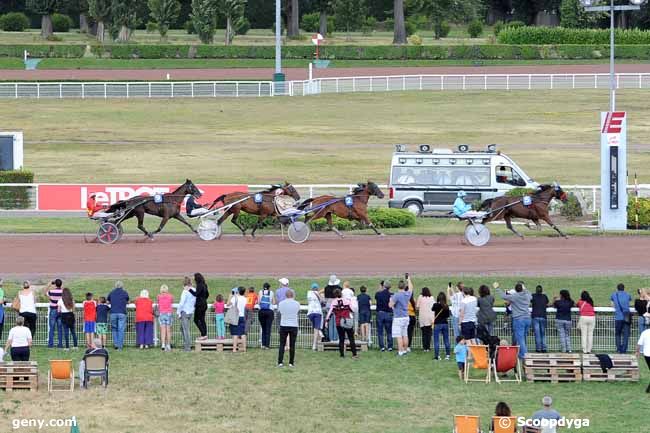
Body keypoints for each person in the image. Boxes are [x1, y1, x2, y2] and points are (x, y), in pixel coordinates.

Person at [497, 281, 532, 359]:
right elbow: (529, 293)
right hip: (528, 318)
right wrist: (524, 288)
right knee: (523, 337)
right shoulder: (527, 295)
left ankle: (524, 355)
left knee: (520, 338)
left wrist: (497, 288)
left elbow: (503, 296)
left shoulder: (514, 296)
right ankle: (521, 353)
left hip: (519, 319)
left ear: (515, 290)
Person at [326, 289, 358, 359]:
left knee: (341, 339)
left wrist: (327, 321)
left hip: (339, 322)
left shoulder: (333, 302)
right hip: (347, 321)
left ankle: (342, 354)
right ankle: (354, 354)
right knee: (351, 338)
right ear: (341, 293)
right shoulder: (347, 301)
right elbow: (352, 310)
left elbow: (330, 313)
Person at [389, 278, 413, 357]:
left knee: (398, 335)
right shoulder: (407, 294)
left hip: (398, 317)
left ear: (398, 287)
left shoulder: (396, 295)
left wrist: (391, 301)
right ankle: (405, 350)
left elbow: (390, 305)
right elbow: (411, 288)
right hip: (406, 316)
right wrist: (408, 279)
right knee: (405, 334)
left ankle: (400, 351)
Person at [277, 290, 300, 367]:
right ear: (293, 295)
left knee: (282, 344)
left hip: (284, 324)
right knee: (292, 345)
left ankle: (280, 362)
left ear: (285, 295)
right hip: (293, 325)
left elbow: (280, 312)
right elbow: (297, 312)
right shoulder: (297, 303)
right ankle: (291, 362)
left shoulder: (281, 303)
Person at [107, 280, 129, 351]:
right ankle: (120, 346)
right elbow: (127, 301)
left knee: (114, 329)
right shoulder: (125, 292)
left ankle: (116, 344)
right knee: (121, 329)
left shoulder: (111, 292)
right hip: (122, 313)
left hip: (113, 313)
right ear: (122, 286)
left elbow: (108, 301)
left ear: (115, 286)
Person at [610, 283, 631, 354]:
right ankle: (624, 350)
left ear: (617, 288)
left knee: (617, 334)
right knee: (626, 334)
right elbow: (629, 302)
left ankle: (618, 349)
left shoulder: (614, 295)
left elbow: (612, 304)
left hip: (618, 317)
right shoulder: (628, 295)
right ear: (624, 288)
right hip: (626, 316)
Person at [44, 279, 64, 349]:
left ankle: (50, 344)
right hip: (60, 310)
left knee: (52, 328)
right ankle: (60, 344)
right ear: (61, 284)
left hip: (53, 310)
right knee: (60, 328)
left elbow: (45, 292)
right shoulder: (63, 292)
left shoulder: (51, 291)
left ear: (55, 284)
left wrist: (49, 284)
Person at [177, 278, 196, 352]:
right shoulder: (194, 290)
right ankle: (186, 344)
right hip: (190, 312)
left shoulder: (185, 292)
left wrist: (178, 312)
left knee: (185, 330)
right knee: (182, 328)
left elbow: (181, 303)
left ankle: (187, 347)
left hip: (184, 312)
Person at [227, 287, 247, 352]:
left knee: (235, 334)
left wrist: (230, 296)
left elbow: (228, 304)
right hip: (242, 316)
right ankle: (244, 348)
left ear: (238, 291)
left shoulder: (234, 298)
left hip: (235, 316)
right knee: (242, 333)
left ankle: (234, 349)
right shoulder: (245, 299)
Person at [375, 281, 393, 352]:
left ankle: (382, 347)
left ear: (383, 286)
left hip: (380, 313)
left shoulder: (378, 294)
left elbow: (376, 296)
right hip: (388, 313)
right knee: (389, 331)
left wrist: (380, 288)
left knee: (380, 331)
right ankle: (390, 346)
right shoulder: (391, 294)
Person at [432, 292, 451, 360]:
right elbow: (448, 315)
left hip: (437, 324)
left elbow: (432, 309)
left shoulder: (435, 305)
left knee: (436, 341)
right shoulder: (446, 306)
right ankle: (448, 355)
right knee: (446, 340)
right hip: (445, 324)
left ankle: (437, 356)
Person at [531, 285, 549, 353]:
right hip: (543, 316)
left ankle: (538, 348)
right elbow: (546, 303)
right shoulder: (544, 296)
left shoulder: (533, 296)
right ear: (542, 291)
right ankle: (544, 348)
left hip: (535, 316)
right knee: (543, 334)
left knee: (537, 334)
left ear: (536, 290)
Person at [324, 275, 342, 342]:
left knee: (330, 322)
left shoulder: (326, 288)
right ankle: (336, 338)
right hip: (337, 305)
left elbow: (325, 299)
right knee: (337, 322)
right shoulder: (339, 288)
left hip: (329, 305)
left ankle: (331, 338)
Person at [416, 287, 435, 352]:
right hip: (430, 317)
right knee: (429, 333)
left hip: (423, 317)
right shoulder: (431, 297)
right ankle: (428, 347)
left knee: (424, 333)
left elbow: (417, 307)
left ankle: (425, 348)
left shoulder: (420, 297)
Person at [192, 273, 209, 340]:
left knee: (196, 320)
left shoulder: (199, 285)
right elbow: (207, 294)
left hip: (199, 305)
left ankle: (203, 334)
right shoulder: (205, 285)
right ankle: (204, 334)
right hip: (204, 304)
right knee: (202, 320)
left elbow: (196, 294)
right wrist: (203, 299)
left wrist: (189, 290)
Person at [258, 282, 275, 349]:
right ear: (269, 287)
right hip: (269, 311)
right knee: (268, 328)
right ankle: (267, 345)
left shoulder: (260, 292)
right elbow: (273, 302)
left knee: (263, 328)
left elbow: (259, 302)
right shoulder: (271, 292)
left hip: (261, 311)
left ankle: (263, 344)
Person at [307, 283, 324, 351]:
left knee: (315, 328)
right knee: (316, 329)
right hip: (317, 312)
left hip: (310, 313)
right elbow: (323, 301)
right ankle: (314, 345)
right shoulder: (320, 294)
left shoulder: (309, 293)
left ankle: (318, 340)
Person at [157, 285, 174, 351]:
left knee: (163, 330)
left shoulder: (159, 296)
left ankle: (163, 344)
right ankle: (168, 345)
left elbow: (158, 302)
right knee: (168, 330)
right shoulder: (170, 296)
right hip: (169, 313)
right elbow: (172, 302)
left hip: (161, 314)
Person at [636, 327, 650, 393]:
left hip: (647, 355)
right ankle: (648, 390)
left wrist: (637, 352)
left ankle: (648, 390)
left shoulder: (644, 332)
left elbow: (639, 344)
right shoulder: (645, 332)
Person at [406, 285, 417, 351]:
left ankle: (405, 346)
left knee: (405, 333)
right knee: (410, 333)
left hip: (407, 317)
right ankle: (408, 346)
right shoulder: (413, 299)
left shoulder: (405, 299)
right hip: (412, 317)